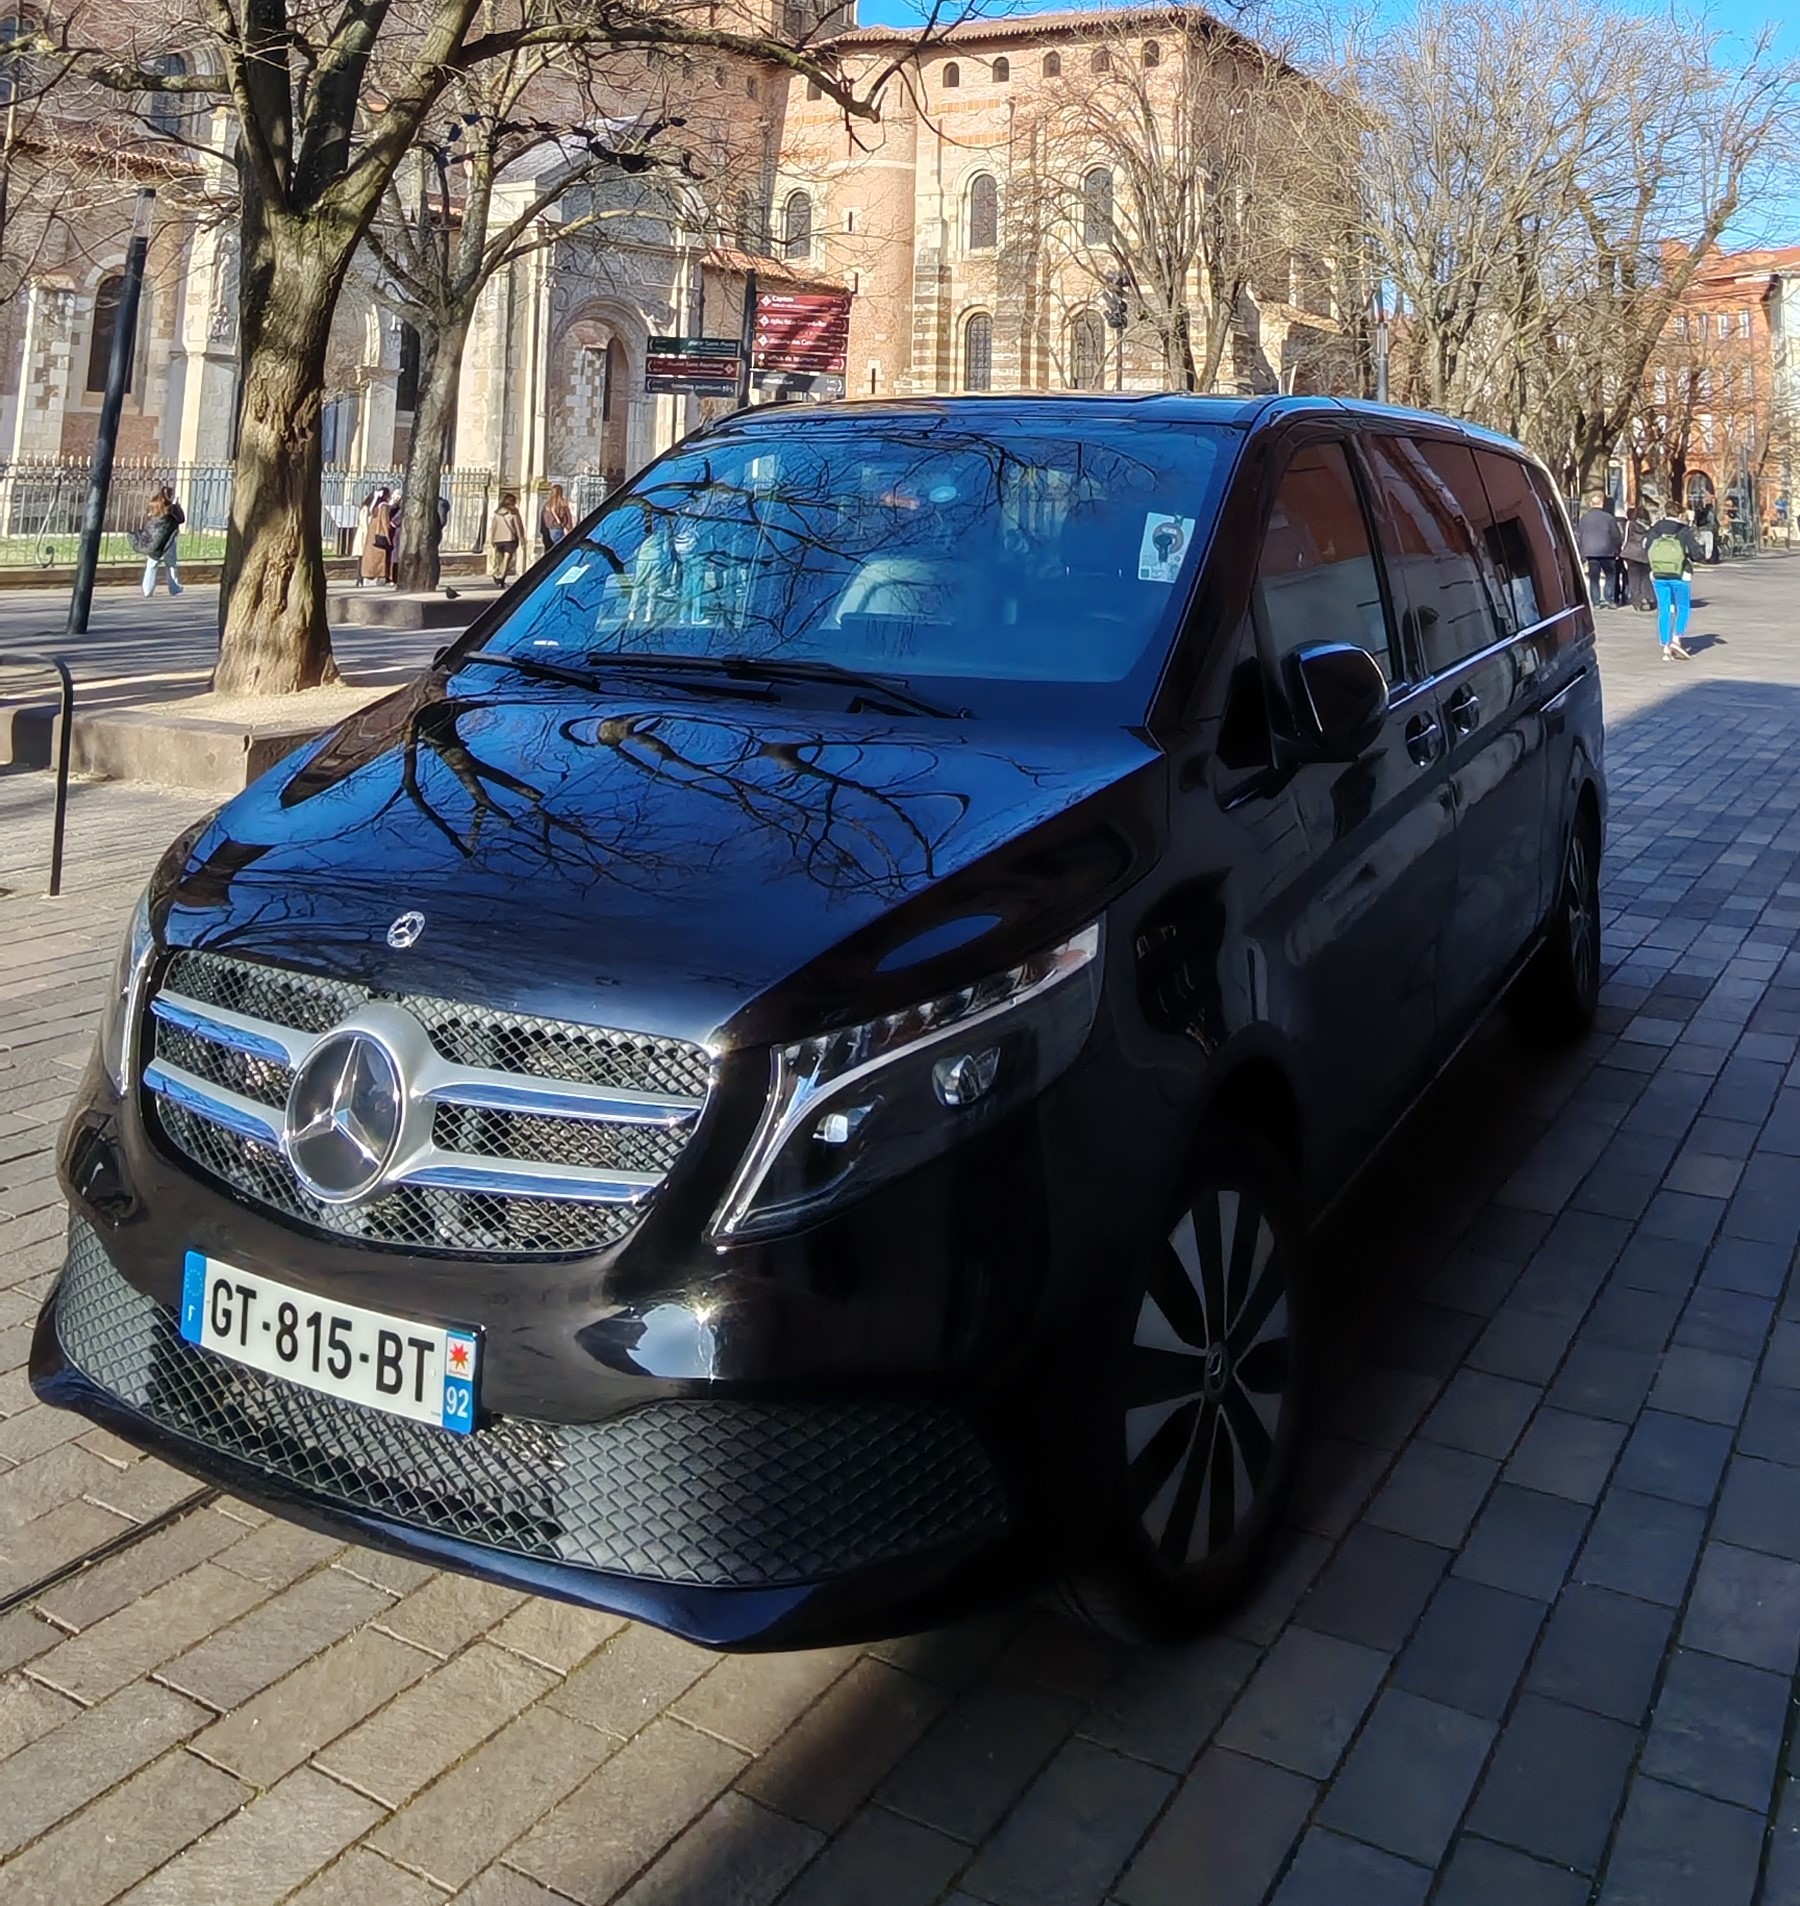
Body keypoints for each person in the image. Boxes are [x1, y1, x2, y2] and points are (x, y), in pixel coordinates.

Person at [1645, 503, 1703, 660]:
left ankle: (1665, 645)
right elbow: (1697, 553)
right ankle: (1676, 638)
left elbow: (1647, 548)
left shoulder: (1656, 528)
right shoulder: (1683, 530)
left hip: (1659, 574)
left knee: (1664, 609)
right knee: (1683, 607)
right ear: (1679, 514)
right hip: (1680, 575)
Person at [1575, 492, 1623, 607]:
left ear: (1591, 504)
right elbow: (1615, 535)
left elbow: (1579, 535)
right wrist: (1616, 549)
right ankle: (1610, 599)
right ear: (1601, 504)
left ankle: (1596, 601)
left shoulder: (1584, 518)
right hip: (1607, 551)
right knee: (1610, 575)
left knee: (1594, 578)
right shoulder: (1609, 518)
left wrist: (1582, 551)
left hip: (1591, 552)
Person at [139, 485, 185, 597]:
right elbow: (181, 520)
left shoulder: (154, 505)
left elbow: (150, 521)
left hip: (155, 539)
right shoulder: (171, 509)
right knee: (171, 564)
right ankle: (175, 589)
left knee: (152, 563)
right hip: (169, 539)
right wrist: (178, 507)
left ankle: (147, 590)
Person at [1620, 504, 1656, 612]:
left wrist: (1622, 550)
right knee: (1645, 578)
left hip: (1631, 554)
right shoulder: (1650, 527)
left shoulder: (1630, 524)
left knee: (1633, 578)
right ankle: (1647, 598)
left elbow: (1625, 538)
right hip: (1645, 554)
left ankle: (1637, 600)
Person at [489, 490, 527, 583]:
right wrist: (522, 539)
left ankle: (499, 575)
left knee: (501, 558)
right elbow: (518, 527)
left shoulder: (497, 513)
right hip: (510, 538)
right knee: (507, 558)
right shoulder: (513, 512)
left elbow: (493, 527)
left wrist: (491, 539)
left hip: (498, 539)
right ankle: (502, 577)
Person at [360, 487, 393, 585]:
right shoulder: (384, 506)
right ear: (386, 495)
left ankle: (367, 573)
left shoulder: (375, 506)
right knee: (379, 557)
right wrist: (388, 535)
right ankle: (379, 574)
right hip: (380, 533)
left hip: (372, 533)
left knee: (370, 555)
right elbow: (384, 521)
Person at [539, 482, 576, 553]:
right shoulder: (563, 504)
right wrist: (569, 528)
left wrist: (543, 530)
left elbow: (543, 520)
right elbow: (568, 517)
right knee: (560, 549)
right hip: (558, 528)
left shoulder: (547, 505)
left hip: (549, 530)